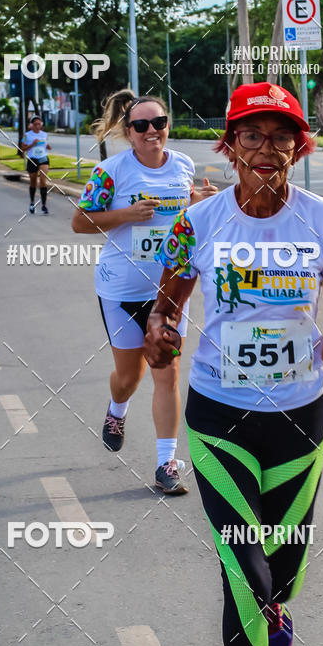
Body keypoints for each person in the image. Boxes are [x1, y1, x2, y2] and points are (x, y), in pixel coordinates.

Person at [145, 82, 323, 646]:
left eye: (281, 136)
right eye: (252, 134)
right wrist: (160, 331)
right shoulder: (197, 223)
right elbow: (167, 303)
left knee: (285, 565)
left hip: (300, 417)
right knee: (245, 573)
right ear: (229, 146)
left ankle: (278, 600)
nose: (266, 148)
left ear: (299, 147)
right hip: (219, 417)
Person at [71, 89, 218, 494]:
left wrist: (197, 201)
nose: (152, 131)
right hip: (121, 289)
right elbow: (80, 222)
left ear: (167, 126)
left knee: (167, 374)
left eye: (159, 123)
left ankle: (165, 464)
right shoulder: (111, 172)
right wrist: (125, 215)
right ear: (129, 131)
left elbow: (185, 214)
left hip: (170, 292)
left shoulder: (183, 164)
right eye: (142, 125)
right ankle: (117, 409)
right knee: (128, 376)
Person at [20, 116, 51, 214]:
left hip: (43, 158)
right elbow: (23, 148)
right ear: (31, 125)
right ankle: (32, 202)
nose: (38, 126)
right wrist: (32, 144)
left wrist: (47, 146)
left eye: (39, 124)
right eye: (36, 124)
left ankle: (44, 206)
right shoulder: (27, 135)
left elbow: (46, 145)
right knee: (33, 181)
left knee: (43, 181)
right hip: (32, 159)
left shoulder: (45, 134)